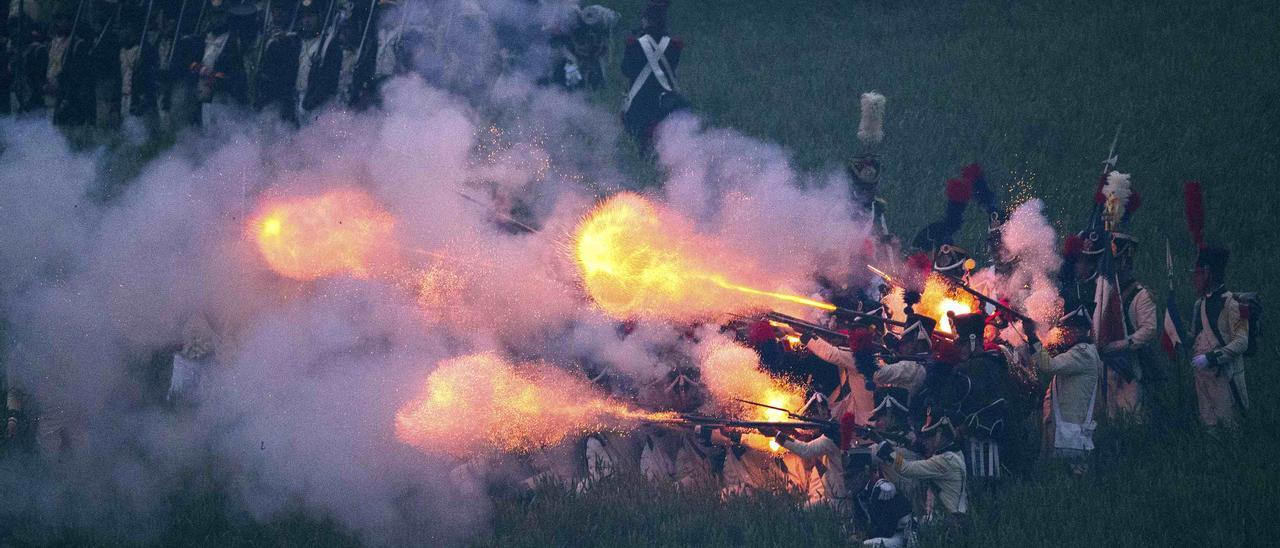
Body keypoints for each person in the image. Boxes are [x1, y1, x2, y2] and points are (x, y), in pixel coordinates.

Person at [1026, 307, 1101, 473]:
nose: (1063, 333)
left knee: (1070, 474)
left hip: (1069, 429)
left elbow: (1049, 366)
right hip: (1062, 427)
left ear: (1080, 331)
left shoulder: (1083, 353)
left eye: (1068, 329)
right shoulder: (1079, 351)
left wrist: (1033, 338)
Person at [1189, 246, 1250, 427]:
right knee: (1209, 426)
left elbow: (1241, 342)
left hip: (1225, 376)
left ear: (1209, 273)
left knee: (1230, 426)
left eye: (1199, 273)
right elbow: (1193, 337)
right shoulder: (1199, 304)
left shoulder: (1233, 304)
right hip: (1202, 376)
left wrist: (1211, 358)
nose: (1195, 277)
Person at [1100, 233, 1157, 419]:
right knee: (1109, 419)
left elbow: (1149, 330)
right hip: (1108, 367)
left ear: (1125, 262)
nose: (1112, 268)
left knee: (1131, 417)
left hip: (1131, 367)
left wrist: (1121, 344)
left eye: (1115, 263)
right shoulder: (1105, 294)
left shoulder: (1141, 295)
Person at [879, 415, 967, 531]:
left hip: (945, 524)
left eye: (928, 437)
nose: (925, 441)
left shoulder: (943, 461)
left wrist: (887, 450)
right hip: (954, 519)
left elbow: (905, 468)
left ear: (939, 435)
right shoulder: (956, 453)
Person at [620, 0, 683, 151]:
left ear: (646, 20)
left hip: (640, 107)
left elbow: (626, 70)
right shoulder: (674, 45)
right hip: (665, 104)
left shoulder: (634, 44)